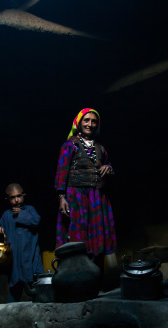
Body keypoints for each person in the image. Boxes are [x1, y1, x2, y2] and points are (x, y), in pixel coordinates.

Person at [54, 108, 117, 269]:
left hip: (97, 197)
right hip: (76, 196)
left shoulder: (100, 148)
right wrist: (61, 197)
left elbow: (108, 164)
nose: (90, 124)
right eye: (86, 120)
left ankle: (96, 277)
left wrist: (109, 168)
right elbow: (62, 170)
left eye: (93, 121)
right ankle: (78, 275)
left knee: (97, 237)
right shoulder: (70, 145)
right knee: (78, 235)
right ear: (79, 123)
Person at [0, 183, 44, 302]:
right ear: (7, 199)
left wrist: (21, 214)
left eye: (19, 196)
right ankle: (11, 310)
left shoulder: (29, 209)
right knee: (15, 283)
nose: (16, 200)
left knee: (36, 283)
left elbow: (36, 221)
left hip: (30, 254)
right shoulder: (6, 215)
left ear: (24, 195)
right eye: (12, 197)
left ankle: (42, 305)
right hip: (14, 258)